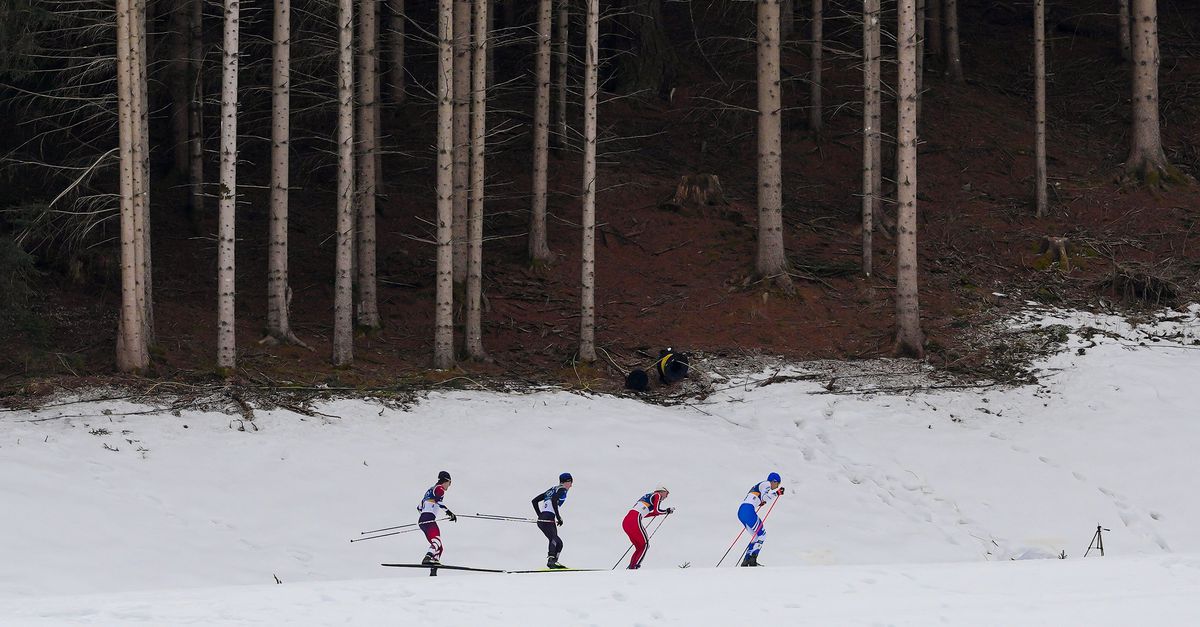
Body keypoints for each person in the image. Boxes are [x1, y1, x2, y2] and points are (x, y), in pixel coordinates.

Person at [737, 472, 783, 567]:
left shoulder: (759, 485)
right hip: (748, 510)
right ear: (774, 481)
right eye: (778, 483)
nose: (777, 486)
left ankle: (746, 562)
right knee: (762, 534)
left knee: (755, 536)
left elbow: (755, 497)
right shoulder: (767, 484)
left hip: (742, 511)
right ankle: (752, 560)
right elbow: (765, 497)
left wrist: (760, 502)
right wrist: (777, 493)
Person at [622, 486, 673, 569]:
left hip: (626, 522)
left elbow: (645, 514)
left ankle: (631, 567)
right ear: (662, 491)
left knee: (640, 547)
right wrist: (667, 511)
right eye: (667, 494)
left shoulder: (648, 496)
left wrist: (660, 513)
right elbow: (657, 511)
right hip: (634, 521)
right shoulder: (657, 495)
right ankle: (634, 567)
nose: (666, 497)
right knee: (645, 545)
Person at [531, 472, 573, 569]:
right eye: (570, 483)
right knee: (554, 539)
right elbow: (554, 500)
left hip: (544, 519)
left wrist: (540, 516)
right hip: (548, 518)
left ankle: (554, 562)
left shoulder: (552, 490)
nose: (571, 486)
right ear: (567, 482)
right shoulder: (562, 489)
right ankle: (551, 561)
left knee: (558, 542)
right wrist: (558, 517)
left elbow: (534, 501)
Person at [417, 471, 458, 566]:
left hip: (423, 520)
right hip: (429, 519)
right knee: (437, 541)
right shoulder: (440, 489)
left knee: (439, 548)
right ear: (446, 481)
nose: (449, 486)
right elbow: (439, 501)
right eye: (450, 483)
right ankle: (427, 557)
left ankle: (434, 565)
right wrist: (450, 513)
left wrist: (424, 515)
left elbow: (419, 507)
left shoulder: (429, 491)